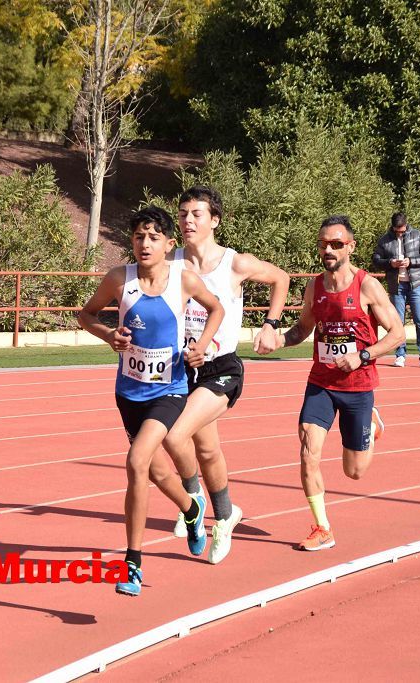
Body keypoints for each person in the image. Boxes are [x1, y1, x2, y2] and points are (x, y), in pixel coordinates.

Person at [77, 206, 224, 596]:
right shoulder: (118, 279)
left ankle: (132, 565)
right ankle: (193, 511)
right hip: (129, 392)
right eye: (139, 237)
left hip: (169, 390)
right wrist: (108, 335)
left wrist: (201, 346)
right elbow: (85, 315)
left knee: (136, 461)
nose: (145, 244)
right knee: (158, 473)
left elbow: (217, 309)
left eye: (154, 237)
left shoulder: (184, 280)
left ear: (168, 244)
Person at [145, 186, 290, 565]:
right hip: (180, 369)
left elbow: (281, 278)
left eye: (196, 214)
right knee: (206, 450)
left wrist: (271, 324)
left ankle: (192, 498)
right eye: (183, 214)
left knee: (176, 435)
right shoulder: (170, 262)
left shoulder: (234, 263)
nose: (188, 220)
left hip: (221, 368)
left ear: (215, 221)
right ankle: (226, 515)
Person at [274, 215, 405, 550]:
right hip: (321, 382)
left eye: (335, 244)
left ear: (351, 246)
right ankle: (322, 527)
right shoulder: (314, 287)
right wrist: (279, 340)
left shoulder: (367, 286)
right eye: (323, 244)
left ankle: (372, 427)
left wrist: (362, 356)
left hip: (358, 386)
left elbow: (398, 334)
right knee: (308, 452)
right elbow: (303, 329)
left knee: (355, 472)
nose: (328, 250)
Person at [372, 212, 420, 368]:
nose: (399, 232)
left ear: (406, 225)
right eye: (396, 230)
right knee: (397, 323)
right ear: (392, 227)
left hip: (416, 284)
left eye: (402, 230)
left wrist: (411, 261)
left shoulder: (418, 235)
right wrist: (390, 263)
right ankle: (400, 355)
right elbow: (375, 259)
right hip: (397, 286)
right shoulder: (385, 239)